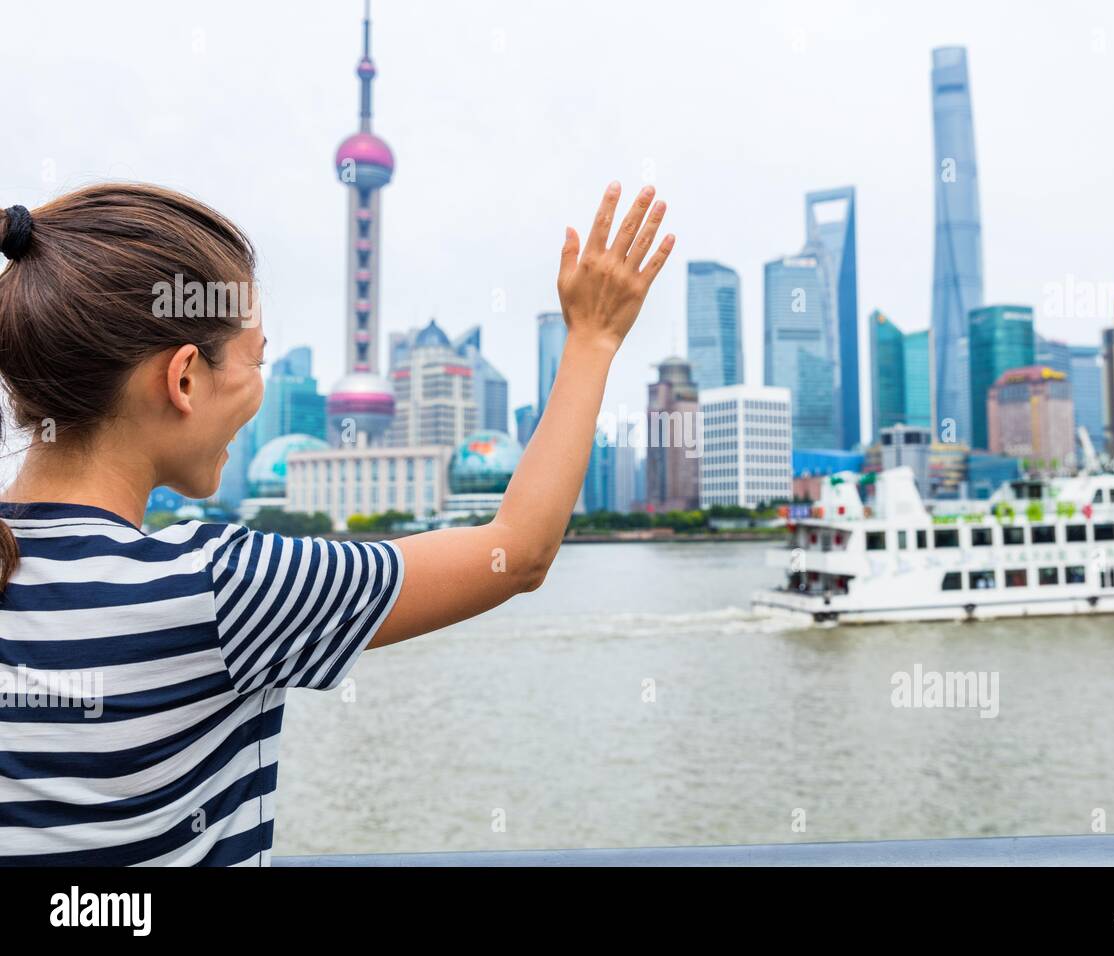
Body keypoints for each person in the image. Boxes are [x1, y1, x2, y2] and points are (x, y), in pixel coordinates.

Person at [0, 180, 672, 865]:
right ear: (182, 381)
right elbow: (518, 552)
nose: (260, 386)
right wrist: (593, 338)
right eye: (256, 359)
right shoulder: (217, 587)